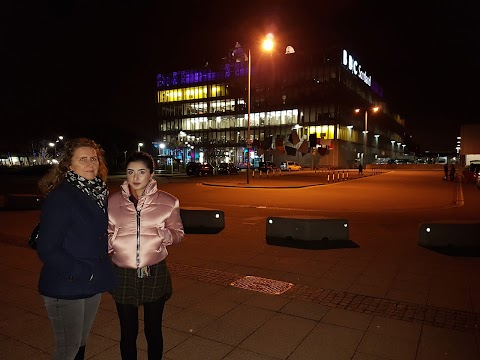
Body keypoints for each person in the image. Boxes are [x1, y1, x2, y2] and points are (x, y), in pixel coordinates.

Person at [37, 138, 116, 360]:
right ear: (69, 166)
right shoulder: (62, 197)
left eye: (94, 158)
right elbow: (47, 249)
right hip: (67, 283)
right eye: (83, 159)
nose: (91, 163)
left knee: (80, 344)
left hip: (91, 282)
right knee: (67, 349)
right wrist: (83, 272)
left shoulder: (97, 193)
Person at [108, 151, 184, 360]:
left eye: (141, 171)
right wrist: (110, 241)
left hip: (154, 270)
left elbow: (179, 234)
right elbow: (105, 234)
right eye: (130, 171)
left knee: (153, 330)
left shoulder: (169, 202)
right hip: (123, 272)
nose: (135, 177)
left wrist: (164, 235)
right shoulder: (112, 201)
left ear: (151, 174)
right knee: (127, 332)